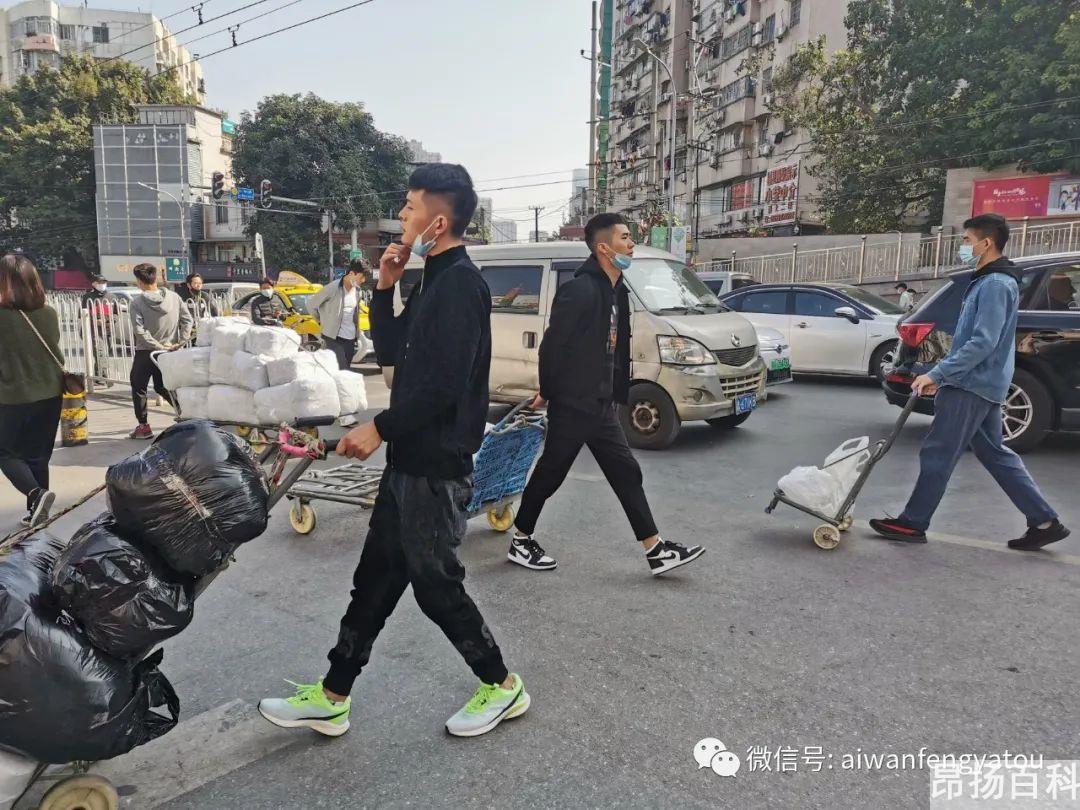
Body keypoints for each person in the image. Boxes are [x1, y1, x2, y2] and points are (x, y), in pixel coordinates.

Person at [258, 163, 528, 739]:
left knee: (436, 587)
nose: (400, 217)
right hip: (409, 461)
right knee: (375, 581)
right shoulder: (431, 278)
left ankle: (503, 687)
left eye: (408, 207)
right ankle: (333, 697)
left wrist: (379, 427)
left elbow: (445, 384)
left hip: (435, 465)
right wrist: (384, 284)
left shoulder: (461, 285)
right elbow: (394, 352)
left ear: (436, 219)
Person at [508, 213, 705, 576]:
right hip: (574, 402)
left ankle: (656, 549)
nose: (631, 244)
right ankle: (521, 539)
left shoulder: (617, 292)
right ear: (603, 247)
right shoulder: (580, 290)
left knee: (626, 472)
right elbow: (552, 347)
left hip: (601, 404)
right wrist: (548, 393)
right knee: (551, 472)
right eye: (625, 238)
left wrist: (616, 393)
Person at [870, 214, 1069, 550]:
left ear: (986, 243)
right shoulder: (992, 280)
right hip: (979, 381)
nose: (963, 247)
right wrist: (943, 375)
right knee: (995, 453)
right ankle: (1044, 521)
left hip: (971, 385)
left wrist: (938, 373)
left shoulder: (994, 284)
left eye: (966, 241)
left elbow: (983, 341)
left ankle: (913, 522)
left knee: (938, 451)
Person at [0, 254, 63, 527]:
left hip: (13, 396)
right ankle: (38, 513)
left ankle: (36, 495)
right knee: (38, 455)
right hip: (51, 393)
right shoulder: (49, 313)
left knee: (4, 451)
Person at [128, 263, 192, 440]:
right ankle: (186, 414)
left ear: (140, 281)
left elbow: (139, 331)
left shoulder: (138, 302)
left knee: (139, 386)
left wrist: (157, 345)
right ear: (155, 277)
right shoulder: (173, 297)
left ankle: (143, 426)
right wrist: (181, 341)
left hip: (147, 352)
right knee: (164, 386)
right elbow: (187, 319)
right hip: (170, 350)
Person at [307, 258, 368, 370]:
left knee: (346, 370)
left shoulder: (357, 291)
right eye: (361, 277)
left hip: (350, 338)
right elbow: (311, 305)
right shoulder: (333, 288)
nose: (363, 280)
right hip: (334, 337)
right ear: (351, 273)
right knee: (342, 370)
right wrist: (321, 321)